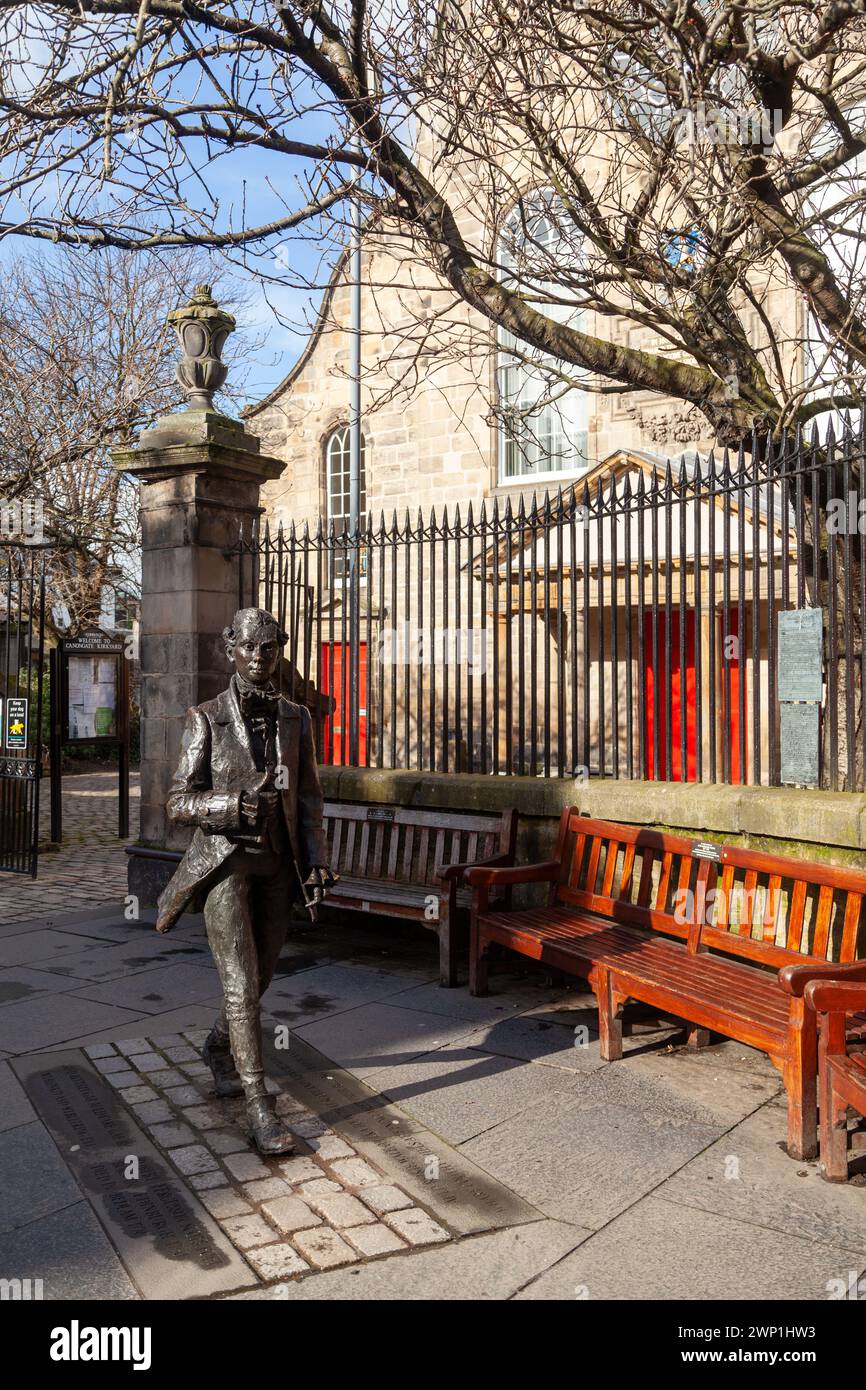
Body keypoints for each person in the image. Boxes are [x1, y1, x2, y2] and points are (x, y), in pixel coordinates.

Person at [155, 607, 335, 1154]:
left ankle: (217, 1048)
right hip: (226, 866)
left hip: (278, 868)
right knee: (240, 985)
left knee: (261, 978)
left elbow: (307, 797)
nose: (260, 658)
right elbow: (177, 802)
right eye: (250, 648)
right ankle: (260, 1106)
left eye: (270, 648)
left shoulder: (296, 718)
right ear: (231, 650)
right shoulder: (205, 718)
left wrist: (315, 857)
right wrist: (228, 804)